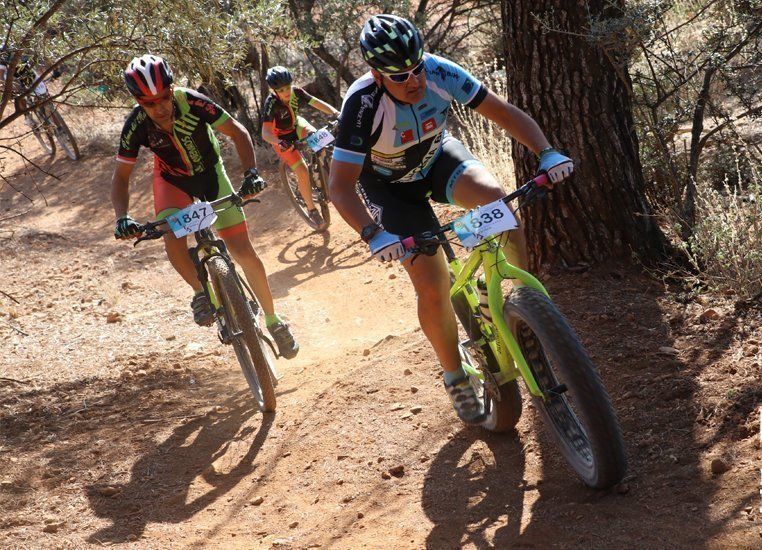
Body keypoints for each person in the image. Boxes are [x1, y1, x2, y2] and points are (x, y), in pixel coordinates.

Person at [328, 15, 574, 422]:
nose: (415, 81)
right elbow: (340, 186)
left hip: (437, 160)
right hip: (390, 189)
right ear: (377, 74)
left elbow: (505, 113)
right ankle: (454, 374)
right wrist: (374, 234)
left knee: (497, 203)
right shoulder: (362, 104)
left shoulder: (441, 71)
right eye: (401, 75)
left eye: (418, 67)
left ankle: (521, 307)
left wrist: (547, 152)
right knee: (432, 283)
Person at [110, 54, 298, 359]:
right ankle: (203, 294)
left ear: (172, 90)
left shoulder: (194, 102)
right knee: (172, 236)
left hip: (212, 174)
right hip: (173, 181)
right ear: (137, 102)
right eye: (148, 103)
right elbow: (120, 177)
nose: (158, 107)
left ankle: (274, 321)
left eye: (163, 98)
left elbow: (238, 131)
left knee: (242, 251)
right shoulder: (136, 125)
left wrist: (251, 174)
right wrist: (122, 217)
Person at [260, 66, 340, 230]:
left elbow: (316, 102)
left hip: (296, 126)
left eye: (288, 87)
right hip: (281, 138)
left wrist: (336, 113)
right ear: (274, 91)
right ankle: (311, 210)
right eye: (281, 90)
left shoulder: (296, 92)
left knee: (319, 139)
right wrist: (279, 142)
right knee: (302, 171)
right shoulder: (271, 104)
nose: (286, 92)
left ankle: (324, 176)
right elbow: (265, 134)